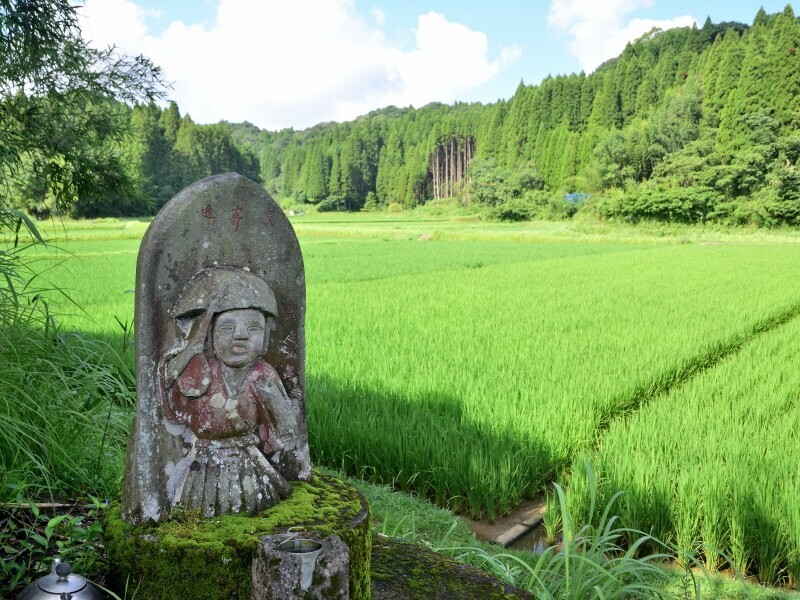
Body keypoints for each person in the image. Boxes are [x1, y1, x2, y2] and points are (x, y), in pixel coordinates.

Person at [160, 267, 299, 516]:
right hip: (204, 467)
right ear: (209, 334)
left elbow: (285, 427)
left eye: (254, 328)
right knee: (201, 515)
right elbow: (172, 396)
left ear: (266, 337)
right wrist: (190, 351)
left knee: (254, 511)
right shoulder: (201, 369)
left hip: (250, 466)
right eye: (227, 328)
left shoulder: (262, 374)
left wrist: (272, 399)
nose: (241, 336)